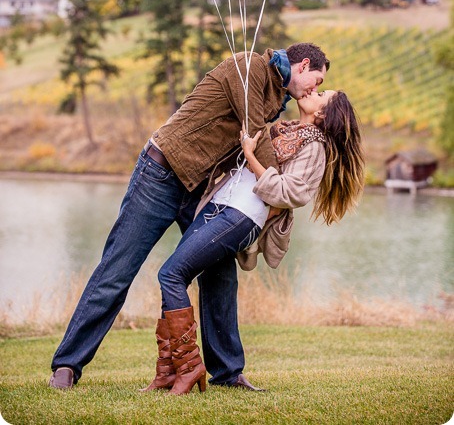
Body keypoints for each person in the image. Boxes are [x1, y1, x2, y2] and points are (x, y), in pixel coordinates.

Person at [49, 43, 330, 390]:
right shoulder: (248, 67)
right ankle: (66, 366)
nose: (314, 90)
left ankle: (228, 373)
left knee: (220, 276)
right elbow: (255, 136)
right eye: (316, 81)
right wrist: (277, 184)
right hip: (161, 173)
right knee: (117, 269)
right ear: (302, 65)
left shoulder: (275, 94)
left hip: (199, 188)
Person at [148, 88, 365, 395]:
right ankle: (188, 372)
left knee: (171, 274)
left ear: (322, 114)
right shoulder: (283, 128)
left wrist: (250, 154)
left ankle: (186, 368)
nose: (314, 90)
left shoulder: (314, 146)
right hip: (218, 205)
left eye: (322, 94)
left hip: (241, 215)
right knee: (211, 281)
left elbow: (292, 192)